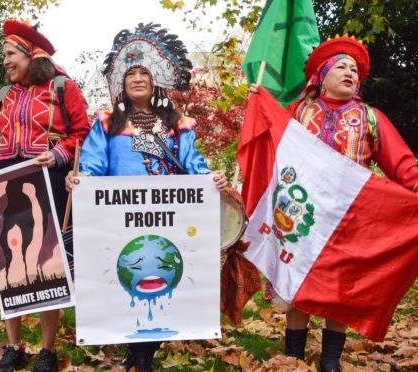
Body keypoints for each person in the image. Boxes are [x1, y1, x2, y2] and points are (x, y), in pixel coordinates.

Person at [65, 23, 229, 372]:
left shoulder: (175, 122)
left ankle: (145, 355)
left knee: (161, 274)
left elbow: (191, 161)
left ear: (155, 81)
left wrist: (209, 177)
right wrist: (80, 180)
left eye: (144, 72)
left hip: (167, 213)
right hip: (117, 216)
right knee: (126, 274)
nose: (137, 78)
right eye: (130, 74)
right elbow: (93, 164)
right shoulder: (106, 122)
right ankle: (136, 353)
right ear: (120, 84)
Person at [252, 36, 418, 372]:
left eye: (354, 70)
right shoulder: (297, 112)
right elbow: (270, 139)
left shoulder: (369, 117)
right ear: (321, 76)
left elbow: (402, 165)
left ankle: (331, 361)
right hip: (301, 214)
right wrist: (259, 105)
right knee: (296, 283)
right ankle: (294, 356)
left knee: (338, 287)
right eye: (341, 66)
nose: (350, 73)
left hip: (348, 218)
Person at [0, 19, 89, 372]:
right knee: (9, 264)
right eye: (3, 55)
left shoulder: (62, 87)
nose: (4, 61)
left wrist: (60, 154)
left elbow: (82, 133)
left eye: (10, 54)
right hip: (4, 183)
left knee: (45, 263)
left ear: (30, 55)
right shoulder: (2, 96)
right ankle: (13, 346)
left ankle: (48, 350)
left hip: (47, 179)